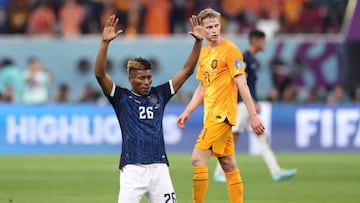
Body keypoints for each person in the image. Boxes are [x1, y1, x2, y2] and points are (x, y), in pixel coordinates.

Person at [94, 14, 203, 203]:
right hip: (132, 169)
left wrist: (198, 42)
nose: (146, 82)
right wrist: (105, 43)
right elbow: (100, 74)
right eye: (141, 78)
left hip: (159, 168)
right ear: (131, 79)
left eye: (149, 78)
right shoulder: (121, 97)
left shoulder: (159, 94)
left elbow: (187, 71)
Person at [176, 8, 265, 203]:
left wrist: (253, 115)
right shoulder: (205, 53)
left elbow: (243, 84)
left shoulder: (231, 50)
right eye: (209, 27)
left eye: (216, 25)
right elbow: (202, 87)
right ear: (203, 30)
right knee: (228, 163)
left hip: (222, 115)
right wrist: (187, 111)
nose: (214, 30)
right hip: (211, 115)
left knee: (197, 159)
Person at [213, 29, 297, 183]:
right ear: (256, 41)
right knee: (234, 136)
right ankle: (220, 172)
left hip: (246, 105)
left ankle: (276, 171)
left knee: (261, 136)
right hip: (241, 104)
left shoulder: (254, 61)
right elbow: (240, 83)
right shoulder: (243, 58)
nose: (265, 44)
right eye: (263, 41)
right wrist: (252, 102)